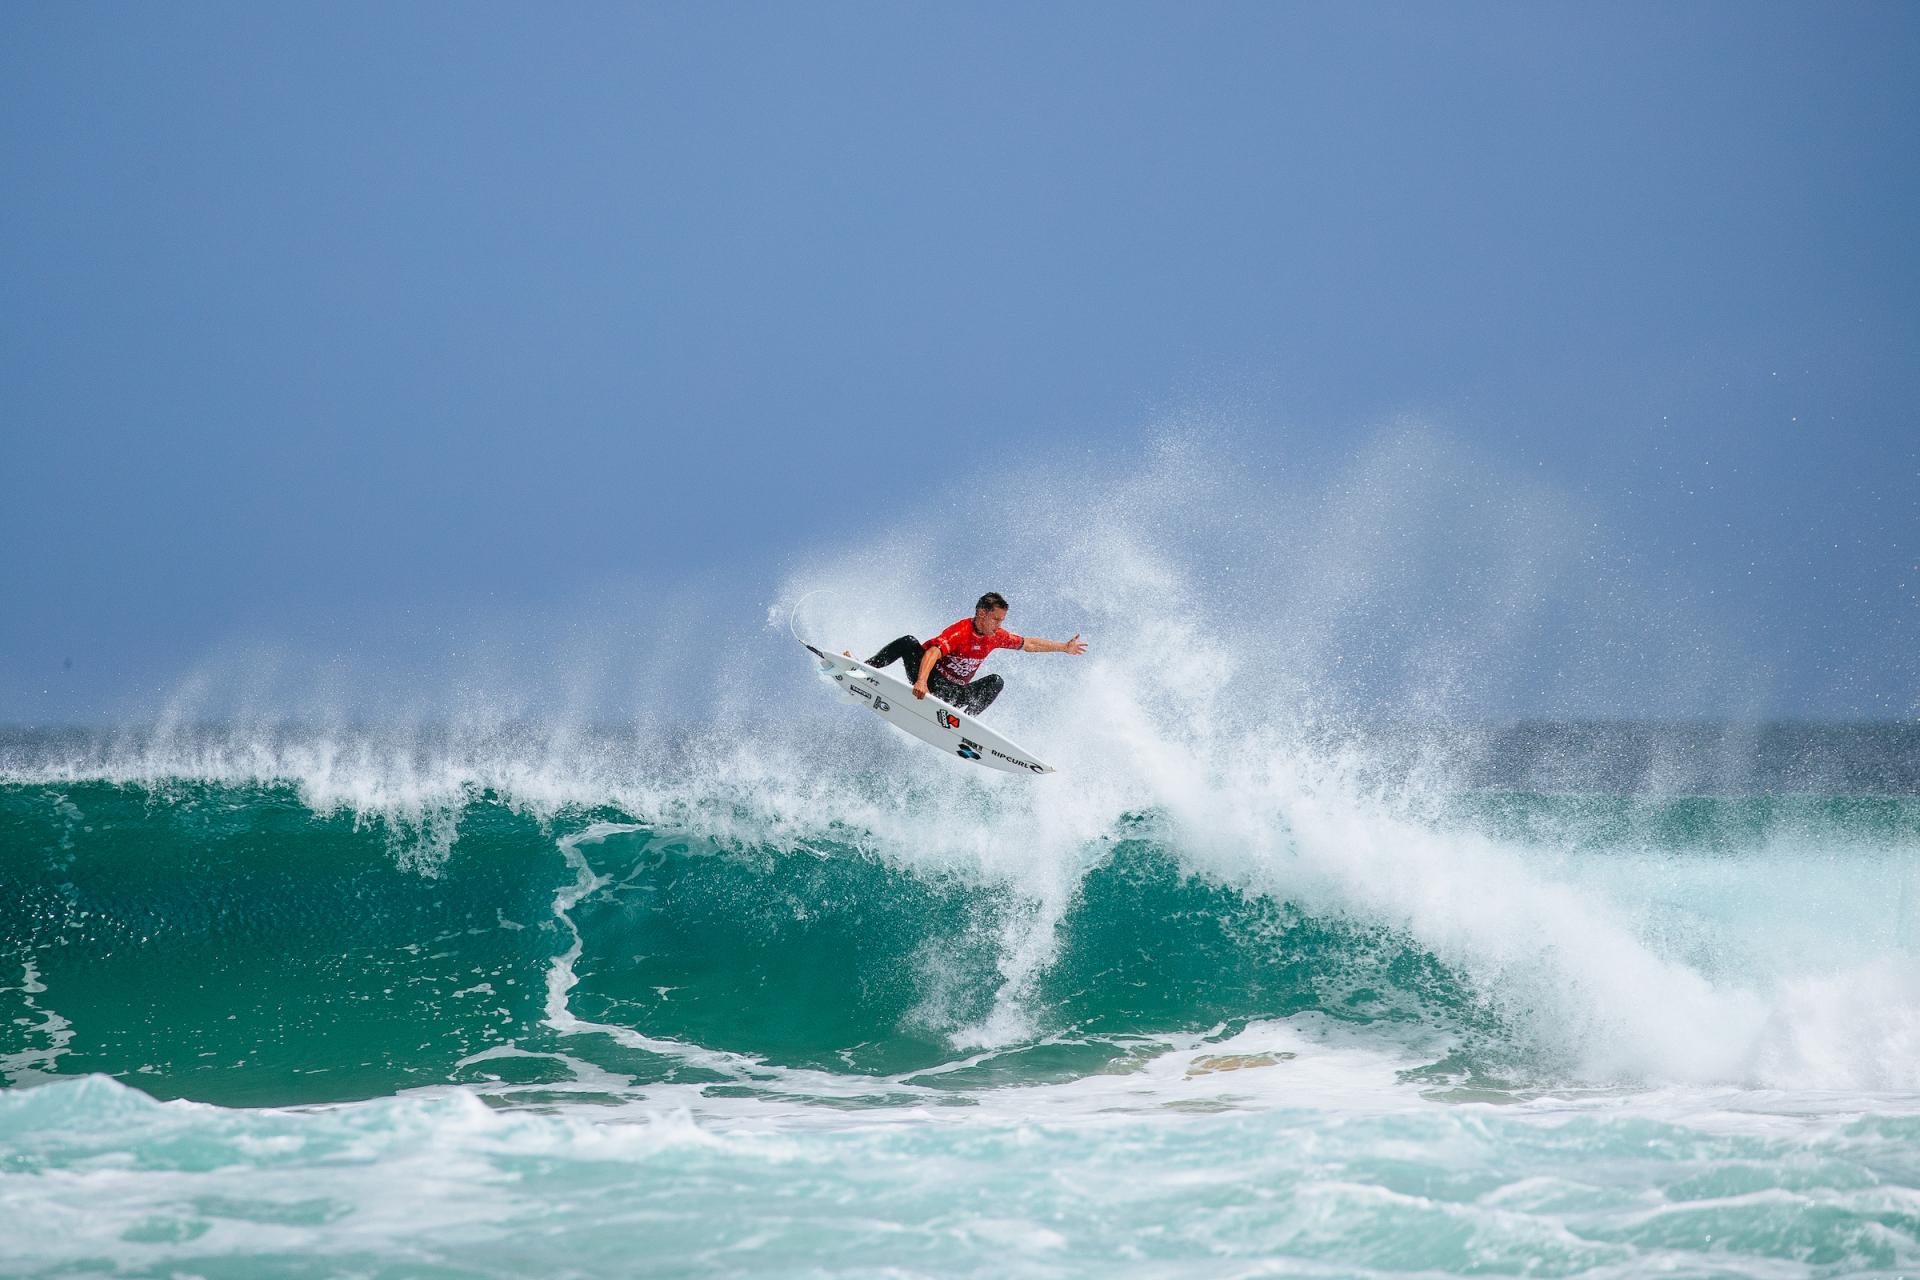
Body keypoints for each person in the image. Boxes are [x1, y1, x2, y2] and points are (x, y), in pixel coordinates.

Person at [863, 592, 1088, 717]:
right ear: (982, 613)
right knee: (908, 642)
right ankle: (863, 668)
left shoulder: (996, 636)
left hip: (955, 693)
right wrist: (921, 681)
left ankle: (963, 722)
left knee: (996, 682)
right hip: (930, 681)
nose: (1000, 624)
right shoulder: (961, 631)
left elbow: (1028, 643)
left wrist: (1062, 647)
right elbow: (933, 652)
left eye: (1002, 620)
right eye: (996, 619)